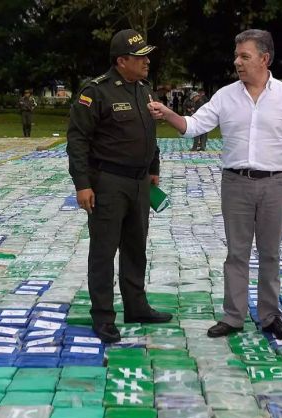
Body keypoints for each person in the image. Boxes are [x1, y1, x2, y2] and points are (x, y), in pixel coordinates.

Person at [149, 29, 282, 342]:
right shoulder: (225, 96)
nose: (237, 62)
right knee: (237, 254)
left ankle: (269, 316)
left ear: (264, 59)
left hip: (275, 184)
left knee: (270, 254)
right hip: (236, 184)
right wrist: (169, 113)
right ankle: (234, 316)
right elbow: (194, 126)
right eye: (236, 56)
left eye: (245, 56)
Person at [67, 29, 173, 343]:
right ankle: (102, 316)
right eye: (140, 57)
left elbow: (149, 132)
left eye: (146, 55)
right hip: (108, 183)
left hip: (140, 183)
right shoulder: (96, 92)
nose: (147, 61)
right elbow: (78, 140)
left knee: (135, 247)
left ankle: (136, 306)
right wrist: (82, 184)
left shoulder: (143, 89)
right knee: (103, 252)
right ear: (121, 60)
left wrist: (153, 167)